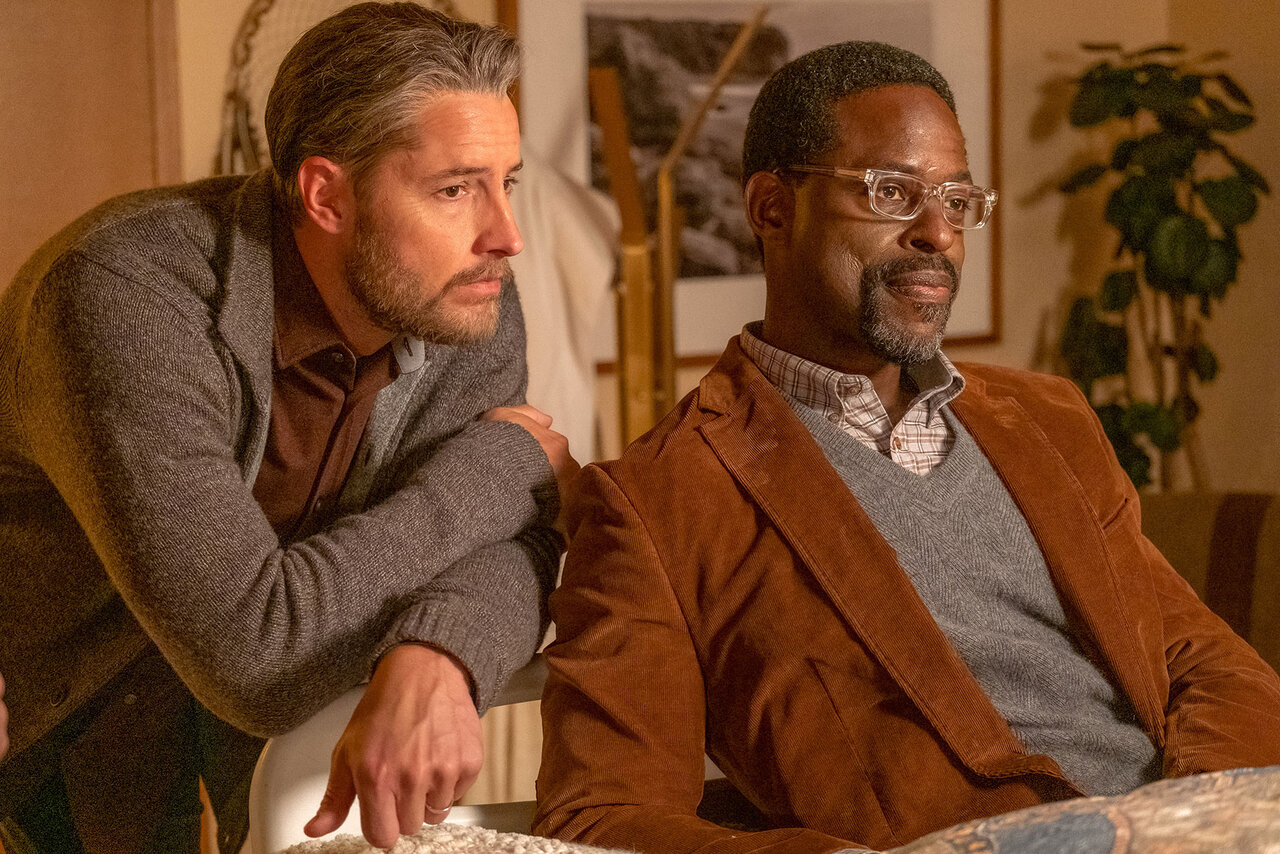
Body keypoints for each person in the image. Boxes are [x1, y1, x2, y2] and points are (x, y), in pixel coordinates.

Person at [533, 41, 1280, 854]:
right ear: (772, 208)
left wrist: (1202, 812)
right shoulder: (656, 501)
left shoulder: (1049, 417)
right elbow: (599, 818)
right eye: (893, 192)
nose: (938, 234)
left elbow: (1203, 659)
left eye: (957, 201)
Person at [0, 4, 576, 853]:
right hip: (63, 734)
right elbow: (257, 659)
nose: (507, 235)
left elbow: (512, 546)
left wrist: (440, 648)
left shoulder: (461, 292)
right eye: (455, 188)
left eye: (508, 180)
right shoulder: (122, 294)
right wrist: (506, 467)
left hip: (284, 746)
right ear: (326, 195)